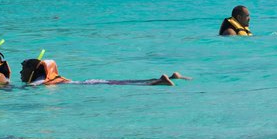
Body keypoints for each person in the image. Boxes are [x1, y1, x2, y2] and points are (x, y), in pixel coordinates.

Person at [19, 58, 190, 86]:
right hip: (89, 82)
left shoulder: (38, 83)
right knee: (124, 82)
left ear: (32, 72)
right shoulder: (47, 79)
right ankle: (168, 78)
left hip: (86, 85)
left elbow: (28, 88)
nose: (20, 73)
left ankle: (159, 82)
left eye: (23, 69)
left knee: (123, 84)